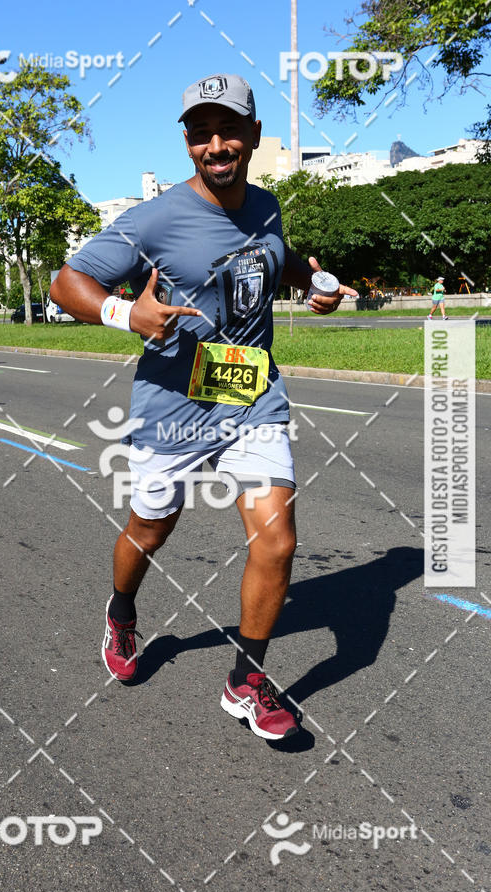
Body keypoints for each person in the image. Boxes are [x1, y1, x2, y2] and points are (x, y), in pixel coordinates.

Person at [52, 73, 357, 742]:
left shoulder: (269, 205)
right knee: (151, 529)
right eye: (200, 133)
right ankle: (123, 610)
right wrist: (123, 311)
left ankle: (246, 681)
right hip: (173, 404)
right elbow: (67, 281)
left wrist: (316, 283)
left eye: (228, 131)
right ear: (188, 141)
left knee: (277, 539)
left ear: (252, 136)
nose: (214, 144)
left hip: (252, 396)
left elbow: (275, 261)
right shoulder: (154, 218)